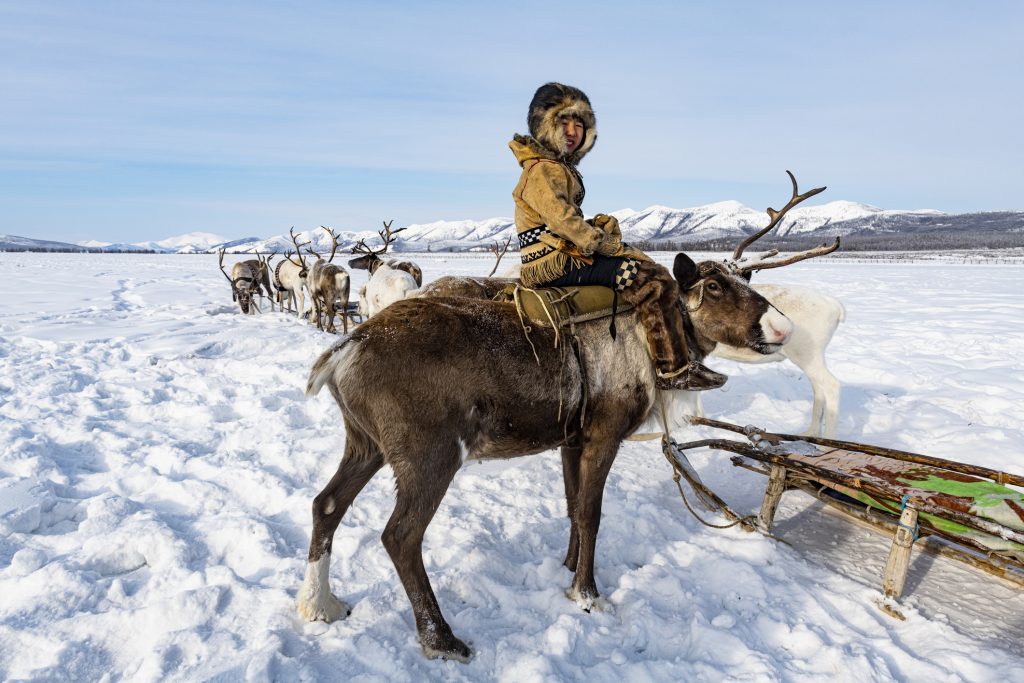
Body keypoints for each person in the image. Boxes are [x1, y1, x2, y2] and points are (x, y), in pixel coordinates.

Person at [509, 82, 726, 391]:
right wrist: (602, 242)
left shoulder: (552, 167)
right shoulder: (544, 169)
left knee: (645, 269)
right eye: (563, 122)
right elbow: (561, 221)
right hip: (556, 263)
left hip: (562, 256)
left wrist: (597, 226)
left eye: (579, 124)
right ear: (544, 126)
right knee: (653, 282)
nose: (572, 131)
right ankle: (672, 369)